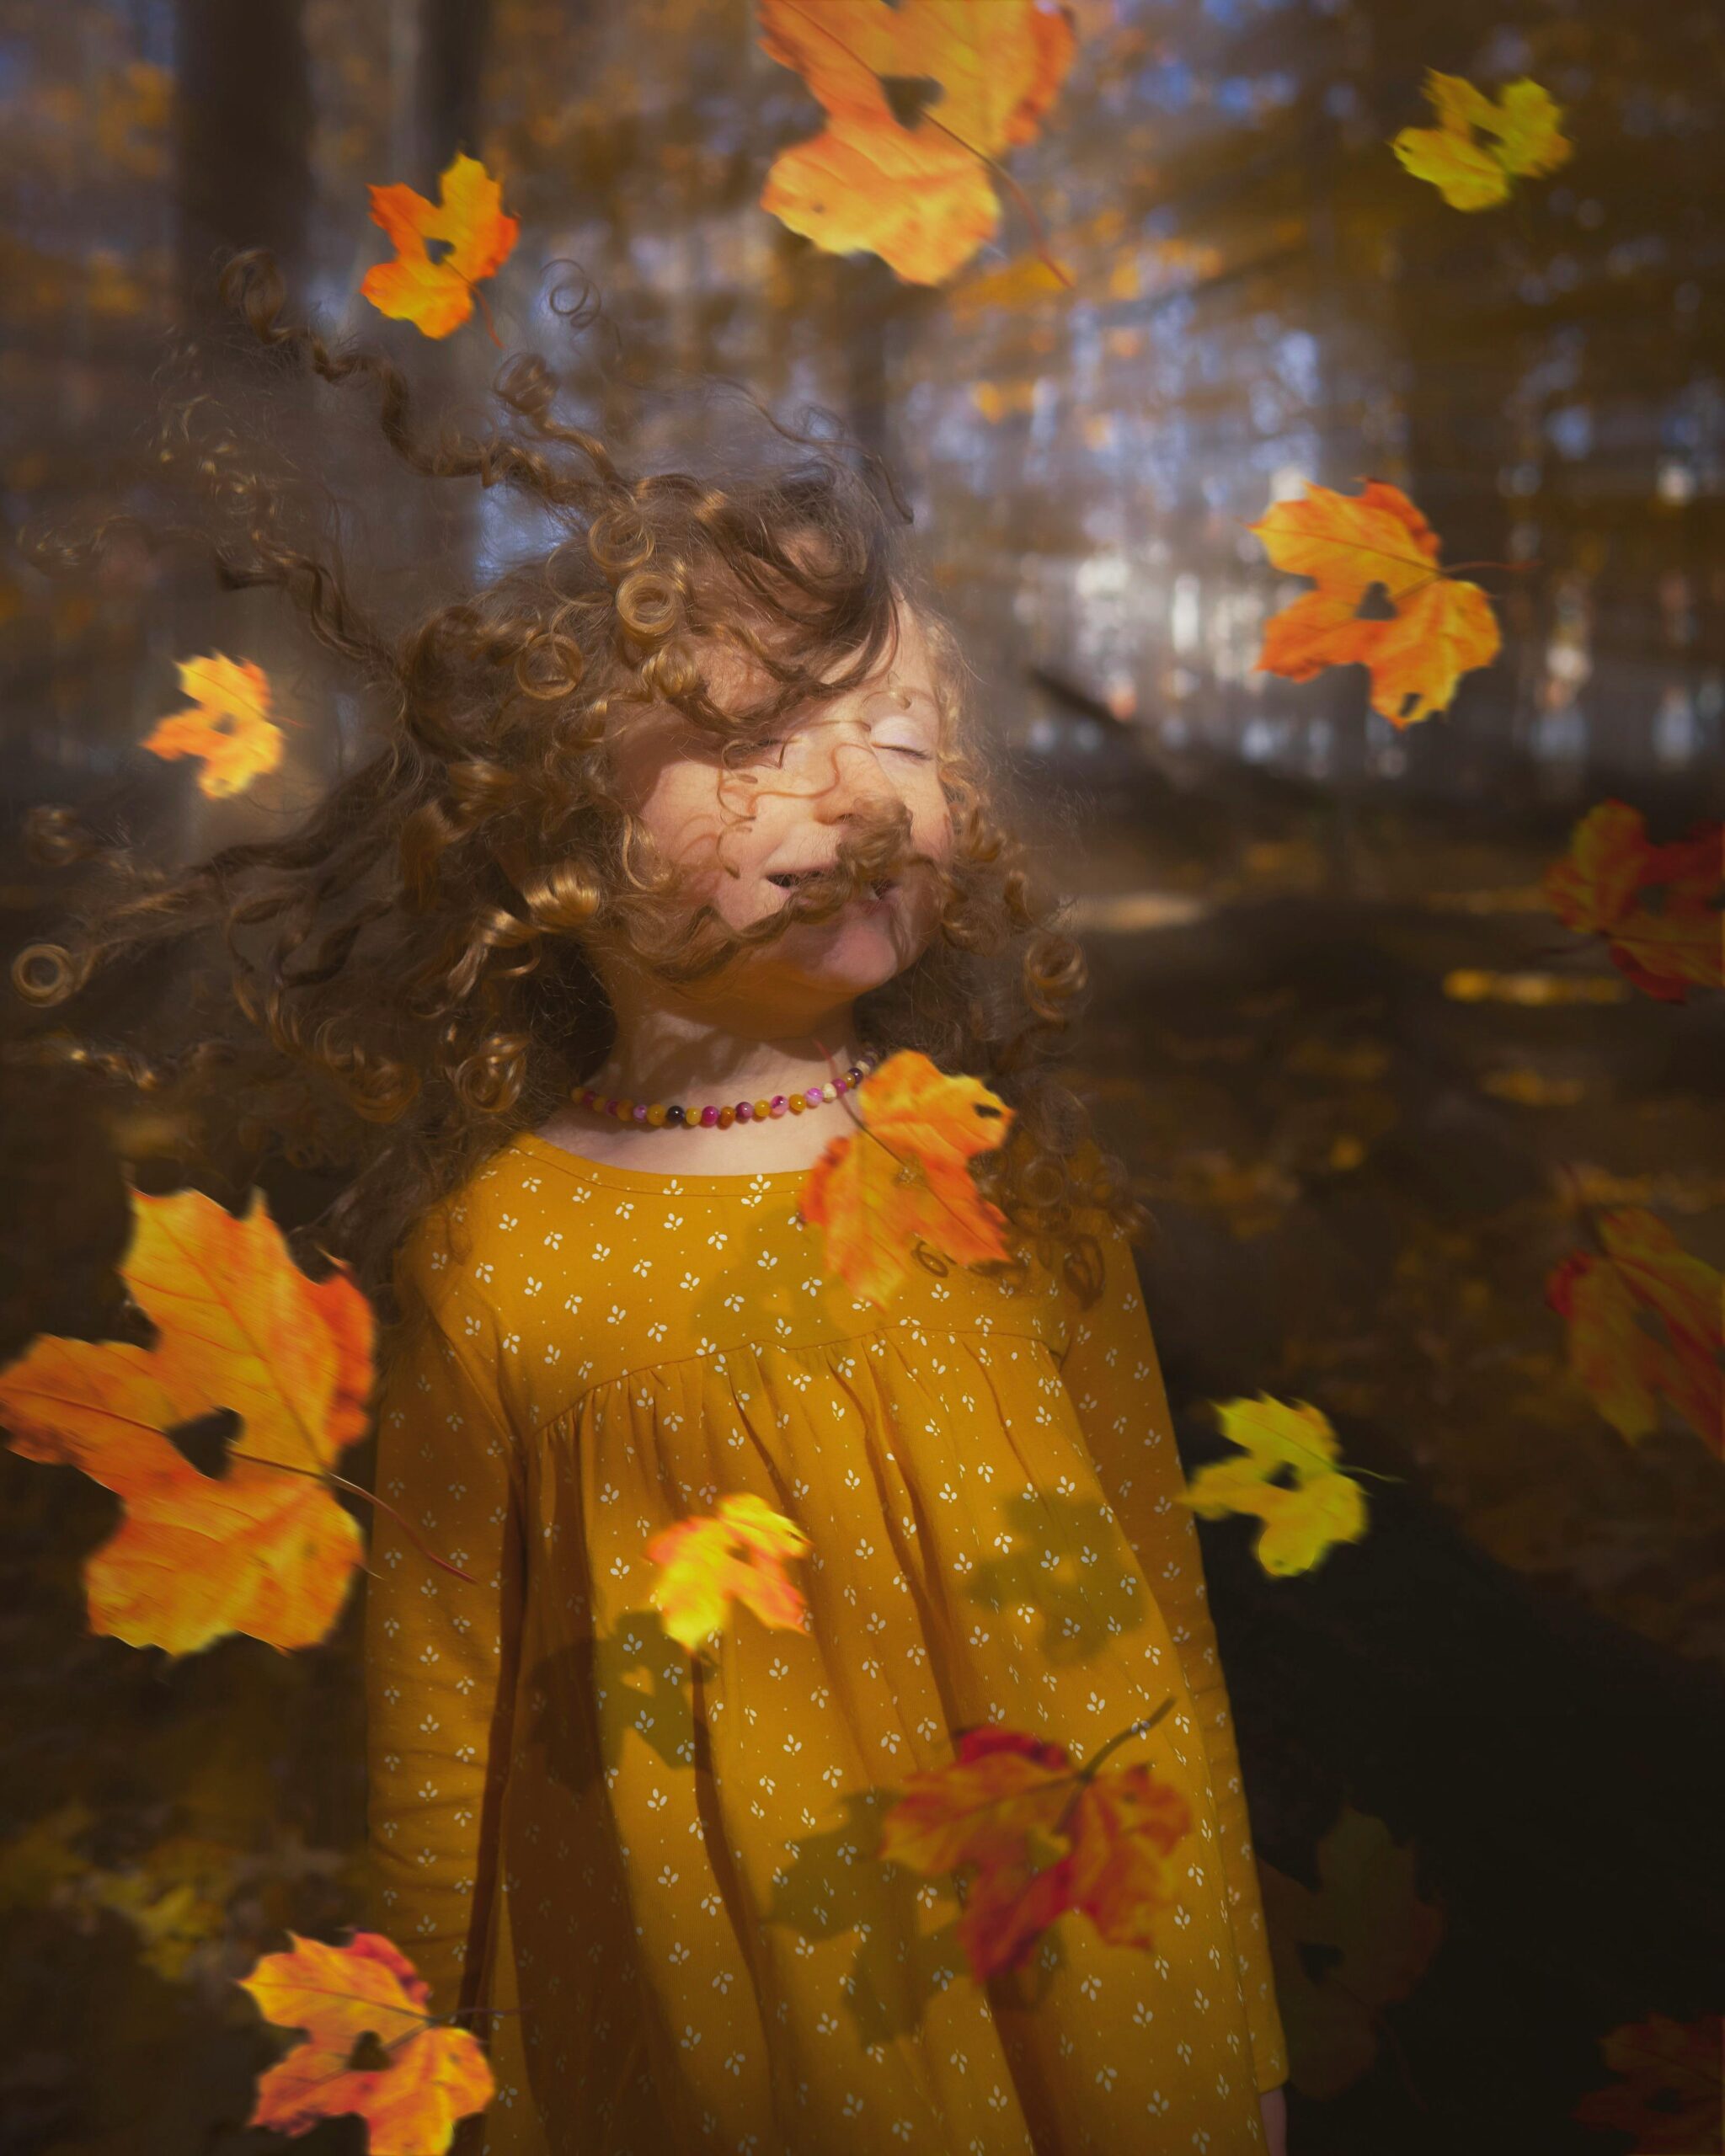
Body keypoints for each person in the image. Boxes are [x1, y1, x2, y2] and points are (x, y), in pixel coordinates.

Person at [23, 258, 1288, 2154]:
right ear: (554, 828)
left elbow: (1162, 1625)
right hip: (695, 1994)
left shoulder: (1001, 1181)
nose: (859, 790)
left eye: (908, 734)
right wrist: (430, 2043)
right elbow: (443, 1676)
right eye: (762, 730)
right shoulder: (496, 1246)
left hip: (1071, 1973)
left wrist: (1233, 2027)